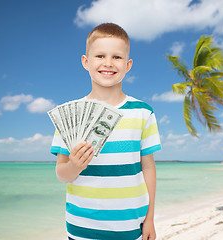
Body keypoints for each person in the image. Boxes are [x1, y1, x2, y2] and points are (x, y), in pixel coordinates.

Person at [50, 23, 161, 240]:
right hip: (81, 227)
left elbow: (148, 168)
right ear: (86, 62)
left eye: (117, 57)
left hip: (130, 226)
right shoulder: (70, 115)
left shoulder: (142, 112)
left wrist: (150, 219)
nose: (108, 63)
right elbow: (62, 174)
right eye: (100, 56)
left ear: (128, 65)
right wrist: (74, 165)